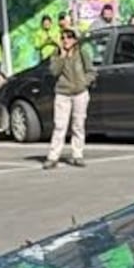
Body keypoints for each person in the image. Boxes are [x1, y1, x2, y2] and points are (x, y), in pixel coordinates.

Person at [44, 30, 94, 170]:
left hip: (80, 93)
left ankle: (77, 154)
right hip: (62, 93)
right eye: (63, 37)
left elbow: (91, 70)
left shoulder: (81, 52)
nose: (66, 40)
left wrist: (85, 82)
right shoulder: (57, 53)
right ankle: (53, 156)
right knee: (60, 125)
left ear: (75, 39)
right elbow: (54, 72)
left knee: (78, 124)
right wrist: (62, 56)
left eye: (69, 37)